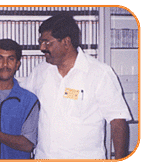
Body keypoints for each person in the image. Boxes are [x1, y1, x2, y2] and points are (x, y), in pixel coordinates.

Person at [21, 14, 132, 159]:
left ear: (66, 42)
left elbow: (118, 122)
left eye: (47, 43)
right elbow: (22, 104)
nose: (42, 48)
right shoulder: (39, 72)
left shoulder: (99, 73)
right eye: (40, 42)